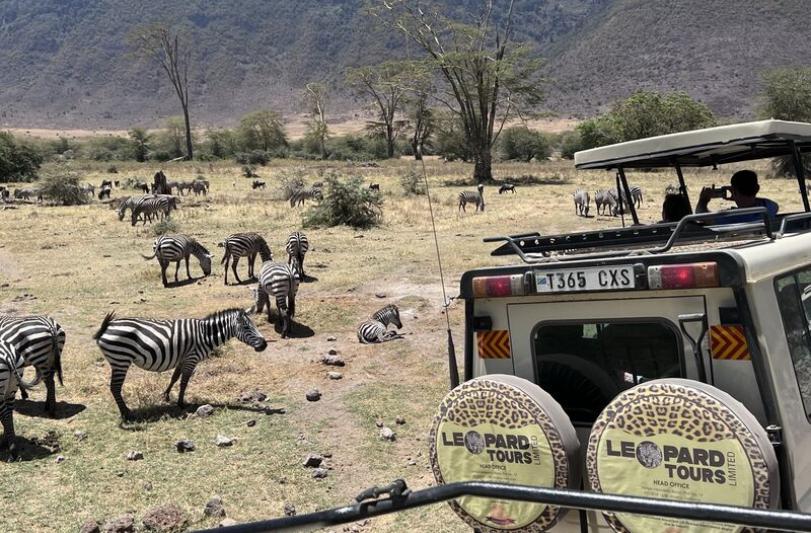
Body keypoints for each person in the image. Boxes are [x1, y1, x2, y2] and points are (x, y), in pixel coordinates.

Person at [695, 169, 778, 223]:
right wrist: (738, 196)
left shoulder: (732, 216)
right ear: (757, 189)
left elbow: (700, 215)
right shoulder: (768, 208)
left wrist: (703, 200)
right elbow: (774, 205)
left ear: (734, 190)